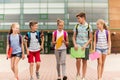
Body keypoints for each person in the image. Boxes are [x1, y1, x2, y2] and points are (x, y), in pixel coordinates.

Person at [72, 12, 93, 80]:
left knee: (84, 61)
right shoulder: (76, 26)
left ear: (83, 18)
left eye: (79, 18)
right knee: (78, 60)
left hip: (85, 47)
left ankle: (83, 76)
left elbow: (90, 38)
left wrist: (85, 45)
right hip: (78, 46)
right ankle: (78, 73)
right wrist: (75, 44)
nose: (78, 20)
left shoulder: (89, 26)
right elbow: (73, 37)